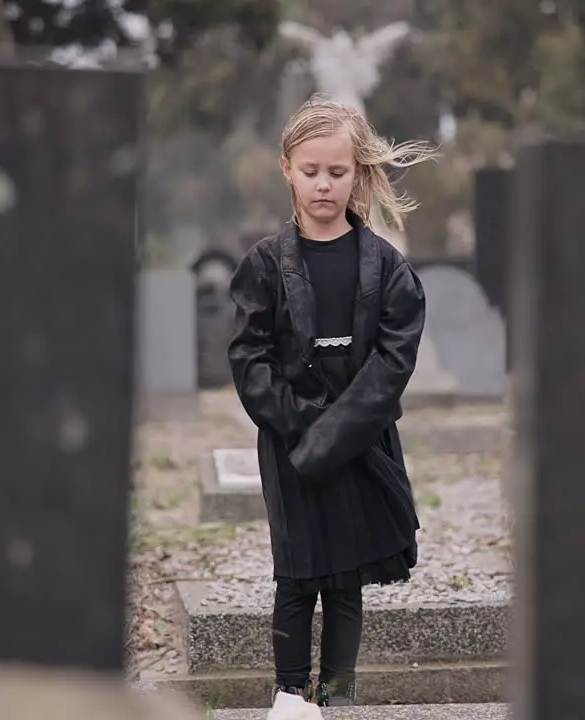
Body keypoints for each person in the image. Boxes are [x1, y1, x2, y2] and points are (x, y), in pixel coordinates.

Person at [228, 93, 436, 714]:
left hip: (363, 444)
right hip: (290, 443)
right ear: (286, 168)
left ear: (359, 173)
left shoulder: (390, 269)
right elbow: (249, 360)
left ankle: (338, 695)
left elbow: (392, 364)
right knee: (295, 574)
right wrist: (304, 427)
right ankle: (290, 698)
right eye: (311, 170)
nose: (324, 184)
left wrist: (338, 433)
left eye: (338, 172)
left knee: (346, 579)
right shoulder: (262, 266)